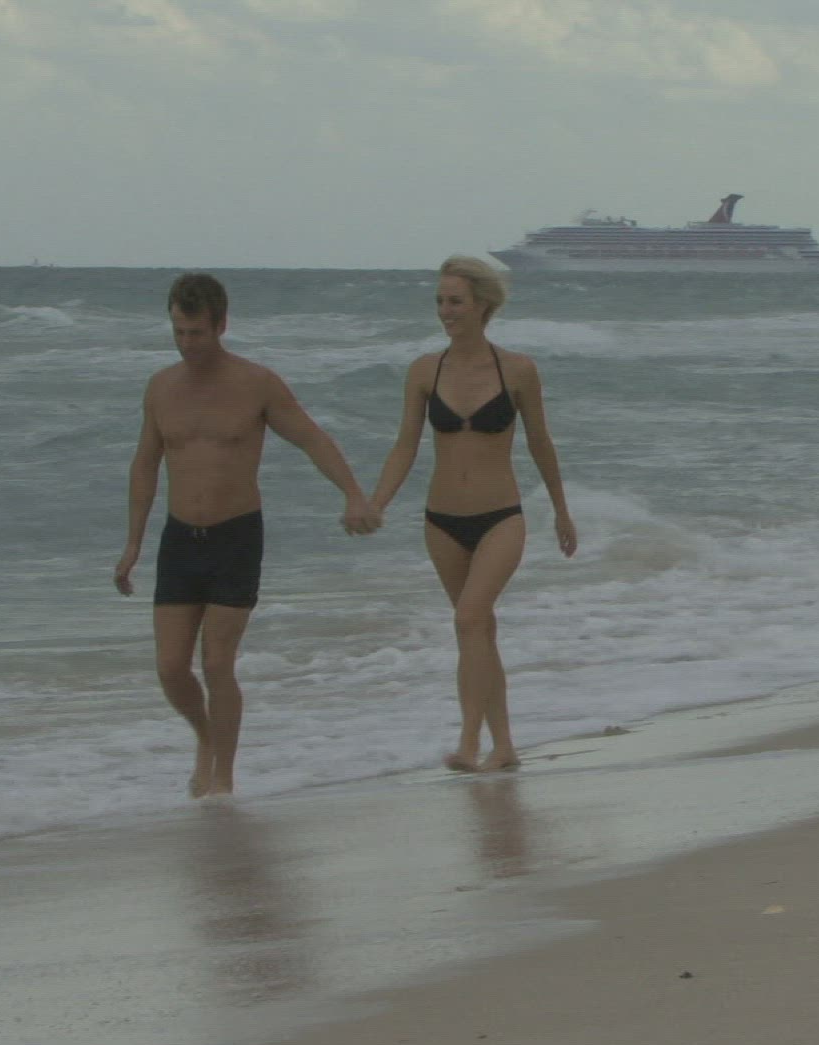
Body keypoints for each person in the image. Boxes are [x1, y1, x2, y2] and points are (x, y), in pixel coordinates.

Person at [114, 273, 380, 798]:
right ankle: (205, 739)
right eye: (179, 332)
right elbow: (145, 465)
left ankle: (224, 780)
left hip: (236, 537)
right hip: (179, 539)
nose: (187, 343)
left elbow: (311, 438)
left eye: (196, 332)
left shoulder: (256, 384)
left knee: (217, 663)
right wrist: (132, 545)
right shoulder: (161, 387)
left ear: (221, 325)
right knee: (170, 668)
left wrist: (353, 494)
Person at [368, 256, 577, 773]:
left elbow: (541, 443)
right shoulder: (425, 371)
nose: (445, 311)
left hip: (501, 517)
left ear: (483, 304)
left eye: (455, 301)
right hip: (441, 522)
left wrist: (561, 510)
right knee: (477, 629)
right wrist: (376, 502)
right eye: (440, 301)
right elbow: (404, 445)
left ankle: (468, 741)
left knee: (468, 619)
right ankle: (503, 746)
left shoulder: (518, 370)